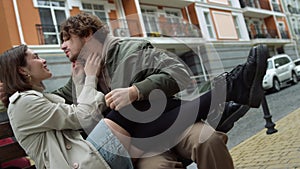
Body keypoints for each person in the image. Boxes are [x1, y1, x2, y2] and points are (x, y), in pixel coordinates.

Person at [0, 13, 268, 168]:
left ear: (87, 36)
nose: (61, 47)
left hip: (175, 126)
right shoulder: (80, 78)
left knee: (207, 139)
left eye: (66, 39)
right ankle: (230, 89)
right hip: (141, 147)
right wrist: (14, 87)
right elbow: (49, 103)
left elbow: (179, 75)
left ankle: (230, 89)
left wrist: (136, 91)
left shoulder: (131, 50)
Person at [0, 44, 134, 169]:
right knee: (121, 113)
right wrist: (91, 77)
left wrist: (79, 80)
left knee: (128, 114)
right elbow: (83, 116)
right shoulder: (24, 103)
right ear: (22, 70)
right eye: (36, 57)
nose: (43, 60)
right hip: (76, 164)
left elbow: (77, 113)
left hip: (80, 157)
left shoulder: (34, 98)